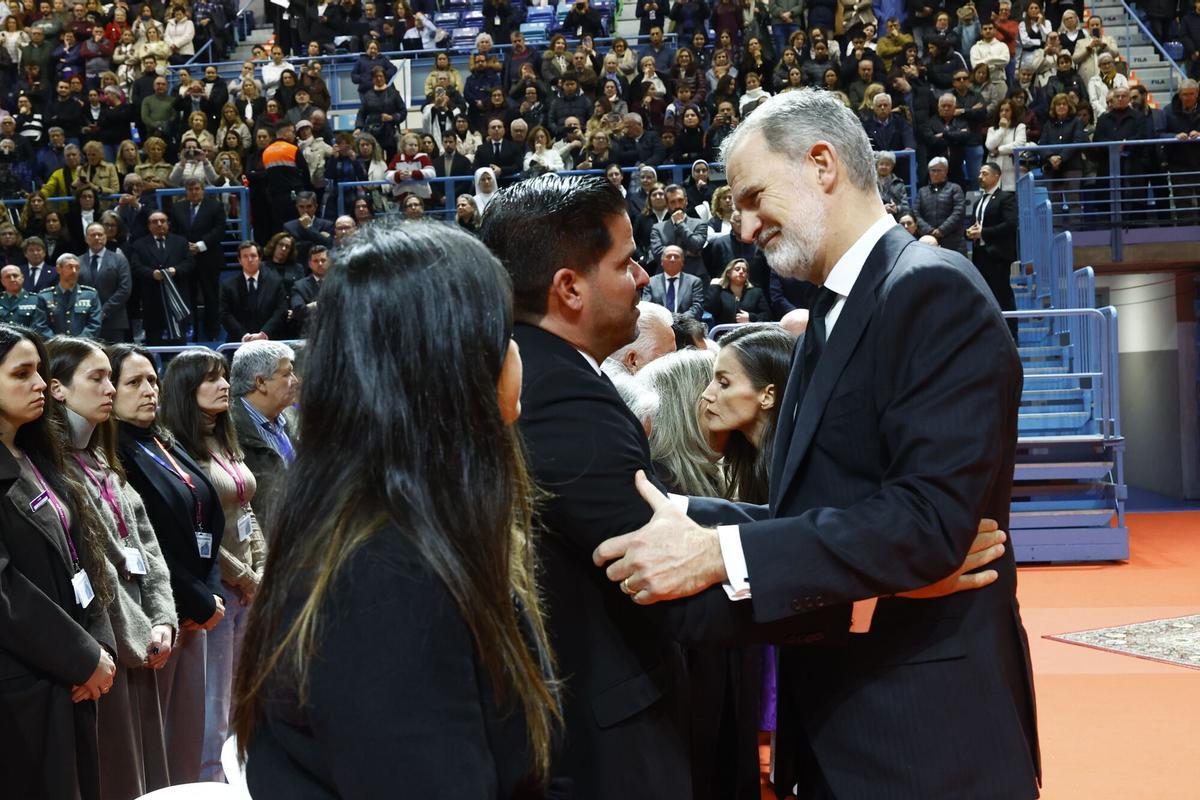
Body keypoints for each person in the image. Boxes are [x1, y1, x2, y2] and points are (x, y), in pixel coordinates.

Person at [479, 173, 1003, 798]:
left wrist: (867, 541)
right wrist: (880, 580)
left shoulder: (548, 376)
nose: (643, 278)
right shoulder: (559, 393)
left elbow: (670, 514)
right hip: (598, 749)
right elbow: (667, 577)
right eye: (626, 263)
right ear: (569, 288)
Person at [592, 89, 1039, 799]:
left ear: (823, 164)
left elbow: (927, 526)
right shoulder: (833, 311)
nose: (741, 228)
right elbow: (821, 509)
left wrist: (719, 553)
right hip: (844, 727)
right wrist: (688, 518)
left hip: (925, 743)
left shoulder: (929, 292)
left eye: (751, 196)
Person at [231, 222, 559, 796]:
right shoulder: (383, 576)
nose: (516, 352)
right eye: (503, 332)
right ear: (449, 366)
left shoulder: (405, 535)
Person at [46, 336, 176, 800]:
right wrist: (138, 636)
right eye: (97, 378)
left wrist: (162, 618)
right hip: (108, 644)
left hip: (138, 639)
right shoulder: (54, 466)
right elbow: (96, 566)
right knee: (117, 775)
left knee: (145, 771)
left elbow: (147, 548)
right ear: (58, 388)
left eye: (108, 377)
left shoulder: (101, 457)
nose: (109, 389)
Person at [0, 323, 116, 800]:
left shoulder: (36, 452)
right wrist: (82, 657)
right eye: (22, 373)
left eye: (41, 372)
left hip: (70, 673)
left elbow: (82, 553)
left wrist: (99, 647)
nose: (39, 384)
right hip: (24, 679)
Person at [111, 343, 225, 785]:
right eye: (134, 382)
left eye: (153, 381)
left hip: (197, 609)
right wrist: (198, 598)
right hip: (159, 616)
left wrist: (210, 589)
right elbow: (146, 542)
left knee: (188, 732)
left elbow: (207, 520)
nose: (149, 391)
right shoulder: (117, 450)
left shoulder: (162, 440)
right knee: (155, 741)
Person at [156, 350, 266, 783]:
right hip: (218, 587)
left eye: (224, 378)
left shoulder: (226, 436)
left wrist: (262, 567)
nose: (224, 386)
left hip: (250, 586)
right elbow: (199, 528)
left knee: (243, 696)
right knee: (213, 704)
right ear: (187, 389)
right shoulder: (175, 445)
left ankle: (239, 780)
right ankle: (208, 784)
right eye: (212, 380)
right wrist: (243, 575)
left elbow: (246, 509)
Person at [228, 340, 297, 531]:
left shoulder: (291, 417)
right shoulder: (228, 429)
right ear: (260, 382)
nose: (295, 380)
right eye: (286, 374)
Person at [168, 179, 226, 342]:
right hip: (185, 260)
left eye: (196, 189)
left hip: (209, 258)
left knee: (211, 297)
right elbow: (174, 231)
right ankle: (190, 333)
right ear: (186, 191)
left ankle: (212, 333)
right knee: (188, 297)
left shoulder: (215, 206)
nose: (193, 192)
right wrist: (185, 246)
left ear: (203, 190)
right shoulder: (178, 208)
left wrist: (200, 245)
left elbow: (220, 229)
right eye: (190, 189)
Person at [967, 162, 1020, 339]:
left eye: (985, 173)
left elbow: (1011, 224)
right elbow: (978, 224)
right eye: (980, 173)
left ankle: (1012, 334)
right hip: (980, 254)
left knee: (1003, 295)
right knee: (983, 296)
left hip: (997, 254)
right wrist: (971, 232)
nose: (980, 176)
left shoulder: (1006, 197)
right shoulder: (979, 201)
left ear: (997, 176)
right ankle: (989, 336)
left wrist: (983, 232)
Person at [126, 211, 194, 345]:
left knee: (179, 346)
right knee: (154, 344)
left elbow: (190, 263)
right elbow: (135, 267)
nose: (159, 224)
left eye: (162, 221)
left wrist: (176, 270)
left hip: (177, 301)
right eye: (154, 222)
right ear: (148, 225)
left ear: (168, 223)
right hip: (153, 301)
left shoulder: (180, 242)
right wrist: (152, 273)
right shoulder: (139, 244)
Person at [219, 242, 287, 344]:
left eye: (253, 255)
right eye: (245, 256)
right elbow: (224, 314)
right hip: (238, 343)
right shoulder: (228, 286)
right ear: (239, 260)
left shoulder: (275, 283)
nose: (249, 260)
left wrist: (264, 334)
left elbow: (281, 310)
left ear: (259, 258)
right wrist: (244, 335)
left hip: (270, 342)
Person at [78, 223, 133, 342]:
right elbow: (75, 288)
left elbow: (125, 289)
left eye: (100, 234)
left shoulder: (119, 260)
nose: (97, 237)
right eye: (93, 235)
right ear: (86, 238)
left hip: (114, 320)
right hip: (85, 321)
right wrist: (91, 312)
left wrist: (104, 310)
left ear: (105, 237)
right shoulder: (78, 261)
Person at [35, 253, 102, 339]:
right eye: (70, 267)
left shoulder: (90, 295)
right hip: (55, 347)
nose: (74, 271)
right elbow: (41, 326)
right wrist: (60, 343)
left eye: (77, 268)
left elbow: (94, 324)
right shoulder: (45, 296)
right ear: (59, 269)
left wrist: (77, 343)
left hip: (83, 346)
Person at [915, 157, 968, 253]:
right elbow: (916, 213)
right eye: (932, 170)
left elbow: (958, 212)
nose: (935, 174)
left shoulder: (955, 189)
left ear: (946, 171)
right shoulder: (922, 191)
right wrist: (929, 231)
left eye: (939, 170)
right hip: (929, 242)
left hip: (954, 242)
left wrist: (942, 230)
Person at [643, 244, 705, 319]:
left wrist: (679, 321)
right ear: (662, 261)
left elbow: (697, 307)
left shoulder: (694, 282)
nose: (672, 259)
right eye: (669, 256)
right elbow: (646, 306)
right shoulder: (651, 282)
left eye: (676, 256)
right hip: (659, 324)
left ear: (682, 262)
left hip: (686, 325)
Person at [705, 258, 770, 325]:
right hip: (724, 333)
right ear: (728, 273)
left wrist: (751, 317)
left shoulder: (756, 292)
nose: (741, 271)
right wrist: (714, 287)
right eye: (737, 269)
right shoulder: (720, 292)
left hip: (750, 333)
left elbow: (767, 316)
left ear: (747, 275)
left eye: (744, 270)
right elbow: (710, 309)